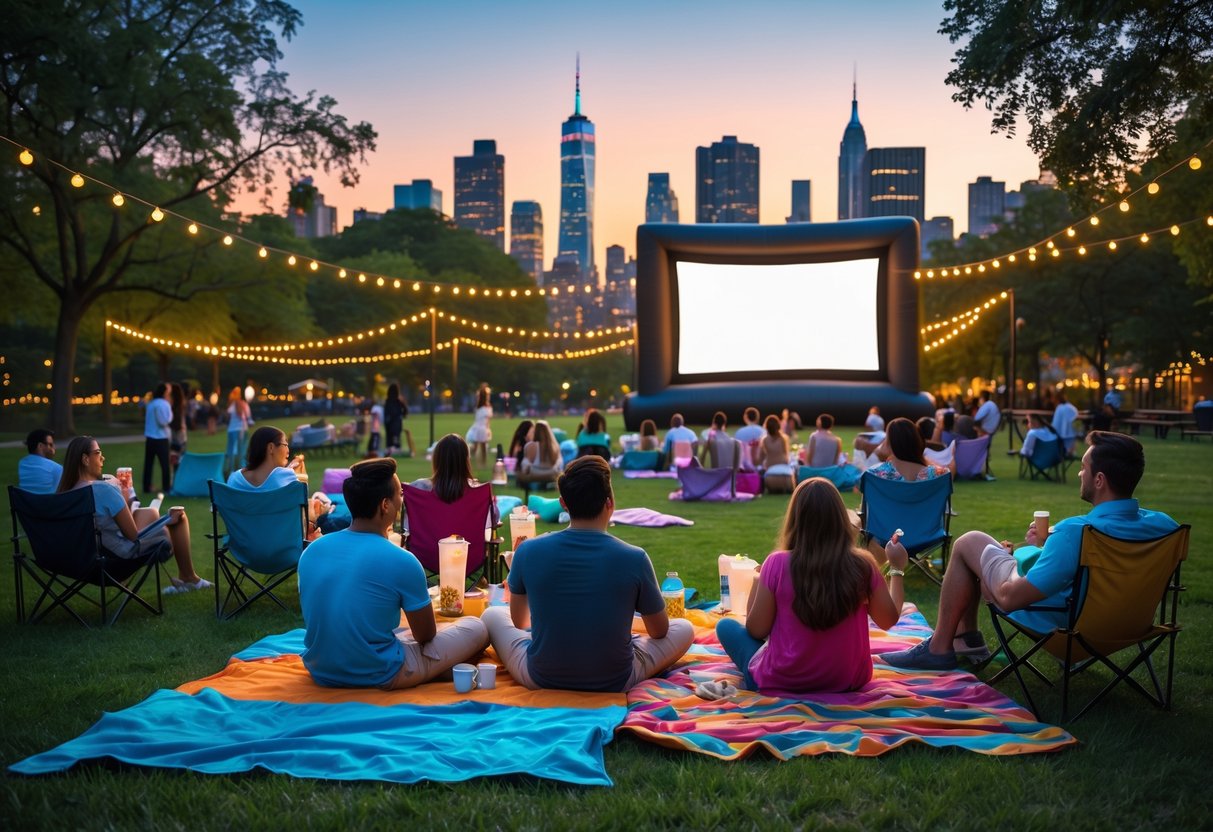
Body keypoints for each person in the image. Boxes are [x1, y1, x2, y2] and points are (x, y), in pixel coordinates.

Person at [880, 431, 1177, 670]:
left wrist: (1000, 567)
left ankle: (939, 648)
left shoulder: (1075, 532)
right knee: (985, 555)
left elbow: (1009, 599)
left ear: (1100, 480)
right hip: (1130, 626)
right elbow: (1108, 573)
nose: (1079, 474)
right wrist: (1048, 548)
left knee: (970, 542)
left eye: (1084, 468)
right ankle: (966, 639)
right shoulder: (1166, 527)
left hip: (1067, 625)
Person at [482, 456, 694, 691]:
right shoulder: (635, 558)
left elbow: (520, 622)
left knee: (492, 615)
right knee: (684, 628)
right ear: (610, 502)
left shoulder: (528, 551)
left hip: (542, 677)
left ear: (563, 504)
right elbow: (659, 630)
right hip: (616, 679)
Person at [297, 457, 489, 689]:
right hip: (380, 671)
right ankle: (439, 670)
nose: (403, 500)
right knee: (477, 627)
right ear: (385, 505)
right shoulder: (401, 560)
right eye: (400, 493)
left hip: (322, 669)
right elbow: (426, 635)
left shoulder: (312, 551)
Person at [715, 478, 907, 693]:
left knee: (726, 627)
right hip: (848, 679)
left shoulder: (777, 564)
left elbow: (756, 629)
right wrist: (897, 569)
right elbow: (888, 620)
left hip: (782, 680)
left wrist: (758, 581)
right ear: (840, 518)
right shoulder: (862, 565)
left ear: (795, 520)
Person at [58, 436, 211, 594]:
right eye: (98, 452)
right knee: (178, 516)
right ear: (85, 459)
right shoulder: (103, 489)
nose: (102, 457)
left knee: (151, 513)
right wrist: (122, 494)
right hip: (119, 558)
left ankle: (187, 579)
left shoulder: (66, 495)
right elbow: (132, 535)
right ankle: (189, 578)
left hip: (84, 561)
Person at [228, 426, 344, 535]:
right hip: (282, 546)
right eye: (285, 444)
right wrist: (297, 475)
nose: (288, 450)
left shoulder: (234, 479)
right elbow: (303, 516)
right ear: (271, 448)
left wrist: (288, 471)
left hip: (244, 546)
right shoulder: (287, 477)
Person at [408, 433, 499, 527]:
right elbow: (494, 519)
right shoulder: (479, 491)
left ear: (436, 459)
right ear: (466, 461)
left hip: (425, 541)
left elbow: (407, 524)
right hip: (468, 541)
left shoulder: (418, 489)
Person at [865, 418, 949, 482]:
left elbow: (868, 504)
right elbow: (944, 505)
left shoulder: (875, 475)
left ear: (891, 444)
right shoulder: (940, 475)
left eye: (886, 438)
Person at [142, 383, 173, 494]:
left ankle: (146, 486)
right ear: (165, 392)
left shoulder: (151, 404)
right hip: (161, 437)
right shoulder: (164, 404)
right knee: (165, 464)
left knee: (148, 464)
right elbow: (164, 421)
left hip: (150, 438)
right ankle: (166, 487)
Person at [517, 421, 564, 491]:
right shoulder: (555, 446)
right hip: (552, 474)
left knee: (519, 474)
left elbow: (525, 466)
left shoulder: (530, 446)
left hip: (535, 475)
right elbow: (560, 464)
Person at [756, 415, 795, 493]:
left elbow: (759, 461)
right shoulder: (783, 439)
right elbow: (787, 457)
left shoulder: (764, 440)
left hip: (770, 477)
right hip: (787, 479)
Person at [18, 429, 63, 494]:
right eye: (51, 445)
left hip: (27, 503)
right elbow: (62, 492)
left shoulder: (22, 464)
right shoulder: (56, 468)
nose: (54, 448)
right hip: (48, 503)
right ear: (40, 446)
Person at [224, 387, 252, 478]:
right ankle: (240, 469)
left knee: (232, 450)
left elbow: (228, 416)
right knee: (241, 450)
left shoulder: (233, 404)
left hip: (233, 429)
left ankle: (231, 469)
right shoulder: (243, 404)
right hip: (241, 429)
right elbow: (246, 417)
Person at [466, 384, 492, 465]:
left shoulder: (478, 407)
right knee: (483, 447)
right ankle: (483, 462)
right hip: (483, 428)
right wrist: (488, 429)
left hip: (477, 428)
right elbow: (487, 420)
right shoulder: (487, 407)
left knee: (476, 446)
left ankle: (468, 460)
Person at [383, 383, 409, 457]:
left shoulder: (387, 401)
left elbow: (386, 411)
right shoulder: (398, 401)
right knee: (396, 436)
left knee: (389, 436)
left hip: (389, 421)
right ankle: (396, 449)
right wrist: (403, 415)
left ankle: (389, 449)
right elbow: (405, 409)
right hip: (397, 421)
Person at [1052, 390, 1080, 454]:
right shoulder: (1072, 408)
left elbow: (1055, 424)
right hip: (1072, 436)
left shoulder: (1059, 408)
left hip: (1061, 439)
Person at [169, 382, 188, 470]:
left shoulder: (172, 405)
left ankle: (175, 481)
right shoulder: (181, 404)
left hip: (175, 436)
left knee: (175, 461)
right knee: (180, 461)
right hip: (182, 436)